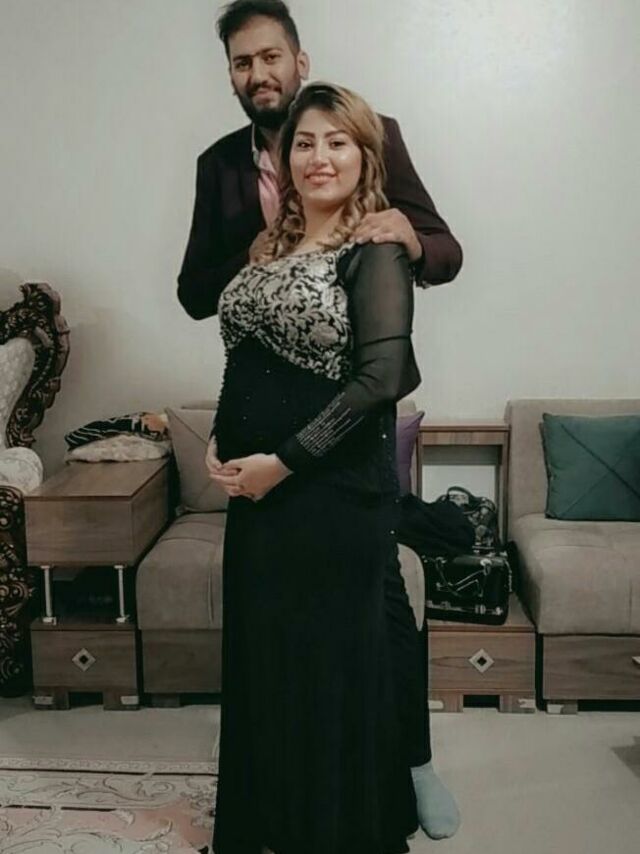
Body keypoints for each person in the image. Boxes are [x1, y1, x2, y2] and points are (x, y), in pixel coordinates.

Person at [179, 0, 462, 841]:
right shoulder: (221, 167)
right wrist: (274, 243)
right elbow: (198, 295)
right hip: (264, 474)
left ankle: (409, 765)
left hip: (338, 460)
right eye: (242, 62)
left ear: (299, 61)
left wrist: (404, 237)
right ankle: (289, 801)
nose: (258, 73)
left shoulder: (368, 141)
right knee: (283, 648)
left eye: (270, 56)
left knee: (377, 625)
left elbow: (440, 256)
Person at [208, 79, 424, 854]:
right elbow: (245, 354)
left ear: (365, 156)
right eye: (304, 142)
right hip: (258, 497)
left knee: (330, 672)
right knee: (268, 665)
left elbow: (381, 380)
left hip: (331, 492)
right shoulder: (268, 246)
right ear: (285, 157)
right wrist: (218, 440)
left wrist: (284, 463)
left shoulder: (375, 248)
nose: (318, 157)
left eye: (337, 142)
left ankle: (337, 833)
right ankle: (276, 823)